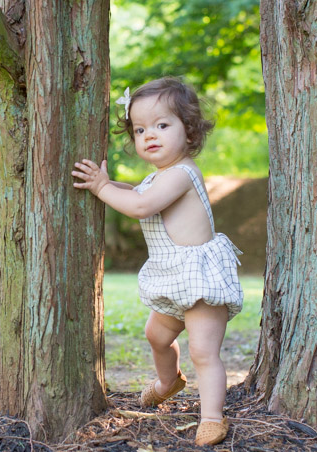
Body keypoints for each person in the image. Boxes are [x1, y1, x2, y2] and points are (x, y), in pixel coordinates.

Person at [72, 78, 243, 446]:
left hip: (199, 282)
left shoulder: (182, 174)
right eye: (140, 129)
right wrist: (106, 183)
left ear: (190, 130)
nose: (150, 135)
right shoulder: (158, 176)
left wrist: (101, 188)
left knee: (203, 350)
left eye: (162, 125)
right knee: (156, 335)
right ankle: (169, 382)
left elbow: (141, 205)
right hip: (174, 279)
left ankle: (213, 417)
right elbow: (135, 192)